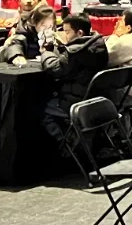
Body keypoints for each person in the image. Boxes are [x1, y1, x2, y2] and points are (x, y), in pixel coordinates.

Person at [40, 13, 109, 150]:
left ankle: (68, 146)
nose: (65, 36)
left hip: (75, 102)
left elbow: (53, 69)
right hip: (97, 99)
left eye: (67, 32)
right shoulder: (99, 44)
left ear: (80, 33)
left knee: (40, 109)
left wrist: (46, 53)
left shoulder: (76, 52)